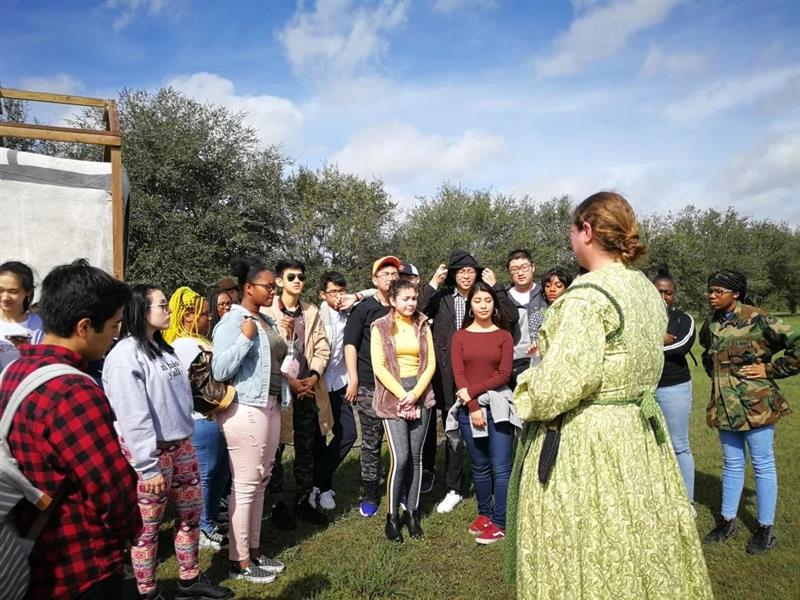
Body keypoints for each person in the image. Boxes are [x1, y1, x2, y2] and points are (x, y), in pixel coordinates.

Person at [508, 192, 712, 598]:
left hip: (589, 441)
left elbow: (559, 386)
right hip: (639, 433)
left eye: (572, 231)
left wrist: (526, 391)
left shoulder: (586, 297)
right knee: (639, 535)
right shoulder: (644, 290)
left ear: (586, 231)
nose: (571, 239)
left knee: (590, 540)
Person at [0, 259, 139, 599]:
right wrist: (131, 528)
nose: (114, 336)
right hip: (80, 563)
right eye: (113, 326)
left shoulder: (14, 371)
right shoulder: (74, 390)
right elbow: (109, 486)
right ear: (84, 327)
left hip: (30, 552)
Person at [103, 285, 232, 600]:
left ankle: (189, 579)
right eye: (162, 305)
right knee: (147, 529)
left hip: (181, 445)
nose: (169, 310)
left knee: (190, 516)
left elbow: (181, 396)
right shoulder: (125, 355)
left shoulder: (163, 348)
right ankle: (147, 592)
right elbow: (132, 415)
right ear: (141, 310)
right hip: (151, 454)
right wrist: (147, 467)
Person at [699, 269, 798, 554]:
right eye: (710, 291)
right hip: (725, 405)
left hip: (756, 405)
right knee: (731, 463)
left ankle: (765, 528)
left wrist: (771, 369)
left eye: (718, 291)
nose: (712, 296)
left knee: (762, 463)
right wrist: (715, 373)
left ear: (736, 294)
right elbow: (707, 350)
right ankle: (728, 521)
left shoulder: (758, 318)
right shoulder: (712, 322)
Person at [418, 250, 517, 514]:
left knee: (486, 429)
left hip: (480, 374)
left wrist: (497, 287)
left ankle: (490, 484)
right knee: (453, 432)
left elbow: (511, 316)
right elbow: (417, 310)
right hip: (448, 373)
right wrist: (433, 283)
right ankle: (454, 487)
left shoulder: (486, 296)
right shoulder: (442, 298)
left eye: (470, 271)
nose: (465, 275)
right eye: (460, 271)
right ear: (453, 275)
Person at [212, 257, 286, 583]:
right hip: (245, 407)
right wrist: (244, 339)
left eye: (274, 287)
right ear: (248, 288)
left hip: (270, 404)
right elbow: (219, 370)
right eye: (267, 286)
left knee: (261, 479)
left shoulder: (266, 319)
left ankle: (253, 551)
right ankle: (239, 561)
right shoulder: (233, 321)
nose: (273, 291)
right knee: (245, 485)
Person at [263, 259, 331, 527]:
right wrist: (289, 381)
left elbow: (322, 348)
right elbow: (266, 354)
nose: (298, 281)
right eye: (291, 277)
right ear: (279, 281)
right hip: (278, 392)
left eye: (301, 277)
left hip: (306, 390)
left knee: (306, 447)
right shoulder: (267, 311)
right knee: (275, 449)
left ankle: (304, 500)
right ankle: (277, 504)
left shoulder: (311, 312)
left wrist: (312, 377)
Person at [164, 287, 230, 551]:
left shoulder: (200, 341)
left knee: (219, 472)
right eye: (204, 314)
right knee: (206, 473)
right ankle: (200, 526)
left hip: (215, 417)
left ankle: (210, 519)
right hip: (201, 418)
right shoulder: (182, 346)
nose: (209, 317)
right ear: (188, 316)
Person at [370, 279, 436, 542]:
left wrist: (415, 394)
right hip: (392, 396)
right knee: (401, 458)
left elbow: (430, 363)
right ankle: (392, 516)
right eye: (405, 299)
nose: (411, 303)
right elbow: (379, 366)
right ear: (393, 301)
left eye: (414, 298)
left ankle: (412, 512)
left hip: (419, 392)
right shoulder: (380, 327)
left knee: (416, 458)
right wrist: (402, 395)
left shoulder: (423, 324)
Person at [449, 282, 515, 544]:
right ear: (470, 306)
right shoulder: (460, 337)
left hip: (499, 407)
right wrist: (473, 406)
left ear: (494, 304)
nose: (483, 305)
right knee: (480, 465)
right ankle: (484, 514)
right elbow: (459, 374)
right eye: (478, 301)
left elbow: (504, 375)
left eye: (488, 300)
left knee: (501, 467)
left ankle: (500, 522)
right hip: (469, 409)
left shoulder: (504, 336)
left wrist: (471, 393)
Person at [344, 255, 401, 517]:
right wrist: (354, 379)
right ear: (375, 279)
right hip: (369, 384)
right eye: (385, 274)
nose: (390, 278)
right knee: (371, 441)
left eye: (394, 273)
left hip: (399, 386)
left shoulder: (404, 305)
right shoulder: (364, 309)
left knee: (400, 441)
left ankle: (400, 488)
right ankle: (369, 492)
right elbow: (350, 345)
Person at [314, 271, 360, 510]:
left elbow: (377, 292)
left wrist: (356, 296)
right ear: (323, 294)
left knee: (348, 433)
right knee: (319, 437)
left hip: (341, 382)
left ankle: (317, 481)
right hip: (319, 384)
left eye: (342, 290)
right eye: (333, 292)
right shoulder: (316, 315)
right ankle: (323, 488)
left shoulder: (352, 310)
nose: (339, 296)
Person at [652, 265, 696, 504]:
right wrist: (661, 340)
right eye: (658, 291)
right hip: (646, 389)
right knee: (651, 445)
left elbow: (681, 346)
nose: (663, 296)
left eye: (668, 292)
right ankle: (661, 500)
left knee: (679, 445)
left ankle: (686, 502)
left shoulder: (683, 319)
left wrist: (650, 345)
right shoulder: (641, 317)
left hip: (674, 388)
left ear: (674, 295)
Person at [501, 249, 547, 381]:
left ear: (533, 267)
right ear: (509, 273)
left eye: (524, 267)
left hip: (544, 361)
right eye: (514, 269)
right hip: (513, 363)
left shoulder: (546, 293)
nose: (520, 273)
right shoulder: (503, 297)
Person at [0, 261, 45, 371]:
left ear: (28, 291)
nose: (5, 298)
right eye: (0, 290)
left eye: (13, 292)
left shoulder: (38, 325)